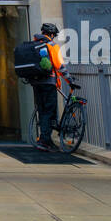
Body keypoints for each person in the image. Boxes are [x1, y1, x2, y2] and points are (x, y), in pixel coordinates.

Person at [30, 22, 65, 151]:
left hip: (35, 83)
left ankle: (44, 139)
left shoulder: (34, 44)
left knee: (42, 110)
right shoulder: (51, 45)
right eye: (54, 35)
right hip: (48, 83)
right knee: (49, 111)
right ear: (51, 34)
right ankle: (45, 140)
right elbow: (59, 65)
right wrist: (69, 79)